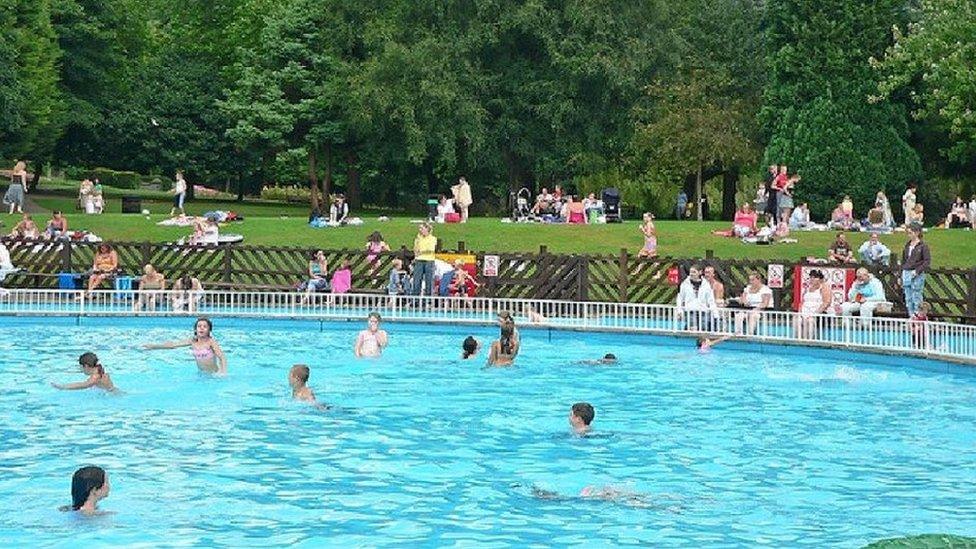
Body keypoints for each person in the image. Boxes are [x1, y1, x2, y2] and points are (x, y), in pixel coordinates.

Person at [143, 317, 228, 374]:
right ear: (195, 329)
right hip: (201, 374)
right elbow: (173, 345)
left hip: (213, 374)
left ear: (209, 330)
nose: (201, 328)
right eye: (199, 326)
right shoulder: (193, 341)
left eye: (205, 327)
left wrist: (223, 372)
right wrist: (154, 346)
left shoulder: (211, 342)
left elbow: (222, 357)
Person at [675, 265, 718, 330]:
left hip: (703, 311)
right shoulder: (685, 284)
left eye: (694, 272)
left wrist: (715, 313)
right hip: (690, 311)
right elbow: (680, 298)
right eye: (690, 272)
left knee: (704, 330)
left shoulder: (706, 284)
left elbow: (710, 300)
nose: (691, 274)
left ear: (700, 272)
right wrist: (679, 310)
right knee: (692, 329)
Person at [793, 269, 832, 339]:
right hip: (805, 311)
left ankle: (810, 339)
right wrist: (800, 312)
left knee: (810, 321)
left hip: (817, 312)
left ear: (820, 279)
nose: (812, 279)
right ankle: (798, 339)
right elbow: (802, 302)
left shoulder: (824, 288)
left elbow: (826, 303)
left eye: (815, 277)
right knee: (797, 319)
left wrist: (815, 314)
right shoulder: (807, 289)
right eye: (811, 277)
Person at [901, 225, 930, 317]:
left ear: (917, 233)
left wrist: (917, 271)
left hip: (917, 273)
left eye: (910, 233)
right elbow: (903, 260)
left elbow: (927, 261)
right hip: (906, 271)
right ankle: (911, 317)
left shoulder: (923, 246)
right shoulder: (907, 245)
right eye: (908, 233)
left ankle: (919, 317)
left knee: (916, 296)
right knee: (908, 297)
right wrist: (900, 274)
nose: (908, 235)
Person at [51, 352, 116, 392]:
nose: (81, 370)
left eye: (81, 367)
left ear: (86, 366)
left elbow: (82, 385)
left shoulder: (95, 377)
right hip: (114, 392)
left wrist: (63, 387)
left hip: (113, 396)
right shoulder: (99, 369)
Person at [412, 223, 437, 296]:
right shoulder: (418, 238)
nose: (420, 230)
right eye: (419, 228)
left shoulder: (433, 238)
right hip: (419, 260)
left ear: (427, 229)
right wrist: (418, 252)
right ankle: (415, 300)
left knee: (429, 281)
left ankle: (428, 300)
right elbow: (415, 250)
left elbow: (430, 249)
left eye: (422, 228)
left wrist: (421, 251)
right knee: (416, 280)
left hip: (429, 260)